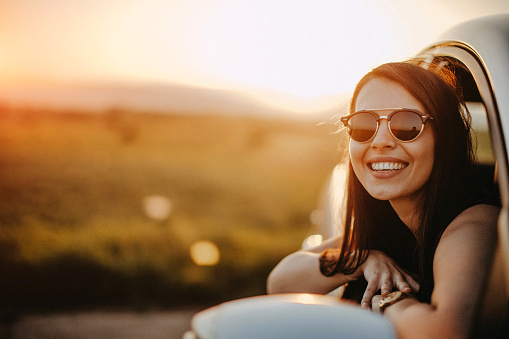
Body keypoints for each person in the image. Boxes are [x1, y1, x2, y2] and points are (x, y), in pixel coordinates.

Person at [266, 59, 500, 338]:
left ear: (445, 137)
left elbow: (442, 331)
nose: (380, 141)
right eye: (364, 125)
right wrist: (361, 260)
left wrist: (390, 299)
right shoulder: (386, 224)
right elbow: (280, 282)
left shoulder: (474, 223)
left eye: (407, 125)